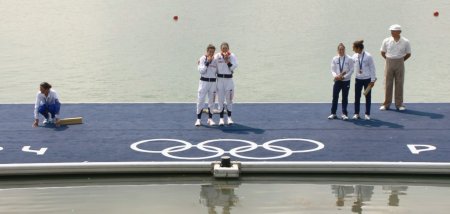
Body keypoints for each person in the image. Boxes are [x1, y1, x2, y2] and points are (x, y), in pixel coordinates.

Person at [380, 24, 411, 111]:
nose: (392, 32)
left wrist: (401, 60)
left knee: (399, 83)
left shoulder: (405, 41)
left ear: (399, 32)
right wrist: (388, 60)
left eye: (394, 31)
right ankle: (386, 104)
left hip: (400, 61)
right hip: (389, 61)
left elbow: (408, 54)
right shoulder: (386, 40)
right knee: (388, 83)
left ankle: (399, 104)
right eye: (391, 31)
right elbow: (382, 52)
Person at [328, 43, 354, 120]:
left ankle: (344, 114)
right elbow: (332, 69)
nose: (341, 51)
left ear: (344, 50)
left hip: (346, 81)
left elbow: (351, 70)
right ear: (337, 50)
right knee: (335, 96)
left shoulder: (349, 59)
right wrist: (335, 76)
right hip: (337, 81)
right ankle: (333, 113)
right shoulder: (335, 59)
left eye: (342, 49)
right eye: (340, 49)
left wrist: (344, 77)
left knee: (344, 97)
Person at [352, 40, 376, 120]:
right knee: (357, 97)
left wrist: (372, 80)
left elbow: (372, 68)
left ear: (358, 48)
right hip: (358, 79)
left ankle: (367, 114)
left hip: (367, 79)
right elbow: (350, 65)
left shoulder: (368, 56)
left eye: (354, 48)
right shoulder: (354, 56)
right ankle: (356, 113)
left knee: (368, 97)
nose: (353, 50)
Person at [215, 42, 238, 126]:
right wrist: (201, 62)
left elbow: (234, 66)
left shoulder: (232, 56)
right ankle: (221, 119)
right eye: (223, 48)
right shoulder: (217, 56)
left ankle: (229, 118)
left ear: (228, 48)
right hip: (220, 80)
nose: (224, 49)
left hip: (229, 80)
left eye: (226, 48)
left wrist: (227, 61)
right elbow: (212, 64)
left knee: (229, 99)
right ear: (221, 49)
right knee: (220, 99)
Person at [195, 44, 218, 126]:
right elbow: (201, 71)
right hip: (204, 82)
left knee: (211, 101)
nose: (211, 53)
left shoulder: (216, 60)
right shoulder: (202, 58)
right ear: (207, 51)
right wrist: (207, 62)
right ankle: (198, 119)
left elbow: (219, 71)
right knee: (200, 100)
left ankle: (210, 119)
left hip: (213, 83)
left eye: (213, 52)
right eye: (210, 51)